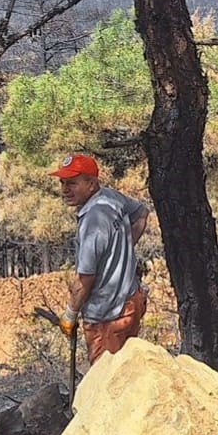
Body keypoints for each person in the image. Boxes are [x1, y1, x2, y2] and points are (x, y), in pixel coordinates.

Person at [50, 153, 150, 365]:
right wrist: (120, 250)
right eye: (63, 183)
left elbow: (85, 280)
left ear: (91, 183)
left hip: (107, 317)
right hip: (130, 302)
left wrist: (70, 315)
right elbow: (141, 214)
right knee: (128, 373)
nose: (65, 189)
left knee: (107, 384)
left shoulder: (92, 220)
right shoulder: (111, 197)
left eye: (73, 183)